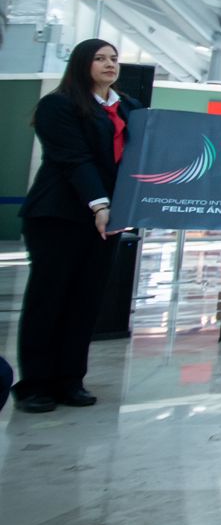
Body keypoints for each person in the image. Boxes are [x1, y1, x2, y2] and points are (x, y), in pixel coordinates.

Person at [12, 38, 142, 414]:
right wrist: (99, 203)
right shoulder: (58, 105)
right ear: (82, 64)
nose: (109, 64)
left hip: (106, 220)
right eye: (99, 58)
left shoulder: (130, 108)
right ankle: (36, 384)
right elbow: (74, 159)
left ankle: (71, 380)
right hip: (59, 215)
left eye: (114, 58)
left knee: (86, 300)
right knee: (48, 299)